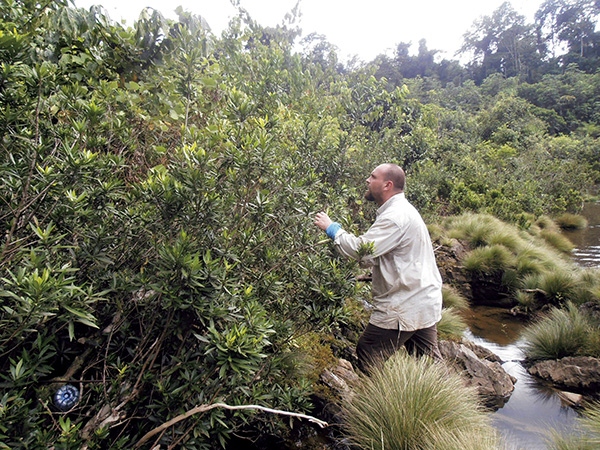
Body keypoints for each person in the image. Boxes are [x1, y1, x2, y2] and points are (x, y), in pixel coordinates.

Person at [313, 163, 443, 373]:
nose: (367, 180)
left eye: (373, 177)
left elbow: (362, 251)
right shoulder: (401, 210)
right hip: (424, 299)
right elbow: (380, 254)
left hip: (406, 303)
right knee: (427, 361)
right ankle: (440, 401)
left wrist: (332, 229)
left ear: (387, 185)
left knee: (369, 350)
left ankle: (379, 402)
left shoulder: (395, 217)